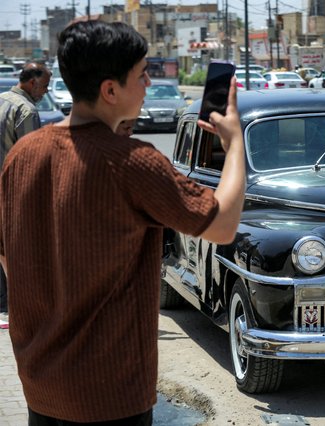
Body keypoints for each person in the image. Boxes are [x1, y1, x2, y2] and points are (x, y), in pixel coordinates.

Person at [0, 20, 245, 424]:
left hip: (40, 384)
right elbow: (222, 226)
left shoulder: (22, 155)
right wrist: (235, 146)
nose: (149, 82)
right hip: (109, 394)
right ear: (110, 90)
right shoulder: (133, 163)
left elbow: (7, 256)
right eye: (142, 73)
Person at [0, 61, 51, 316]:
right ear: (32, 82)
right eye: (44, 87)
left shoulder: (2, 100)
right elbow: (31, 160)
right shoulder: (27, 110)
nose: (45, 93)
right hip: (11, 193)